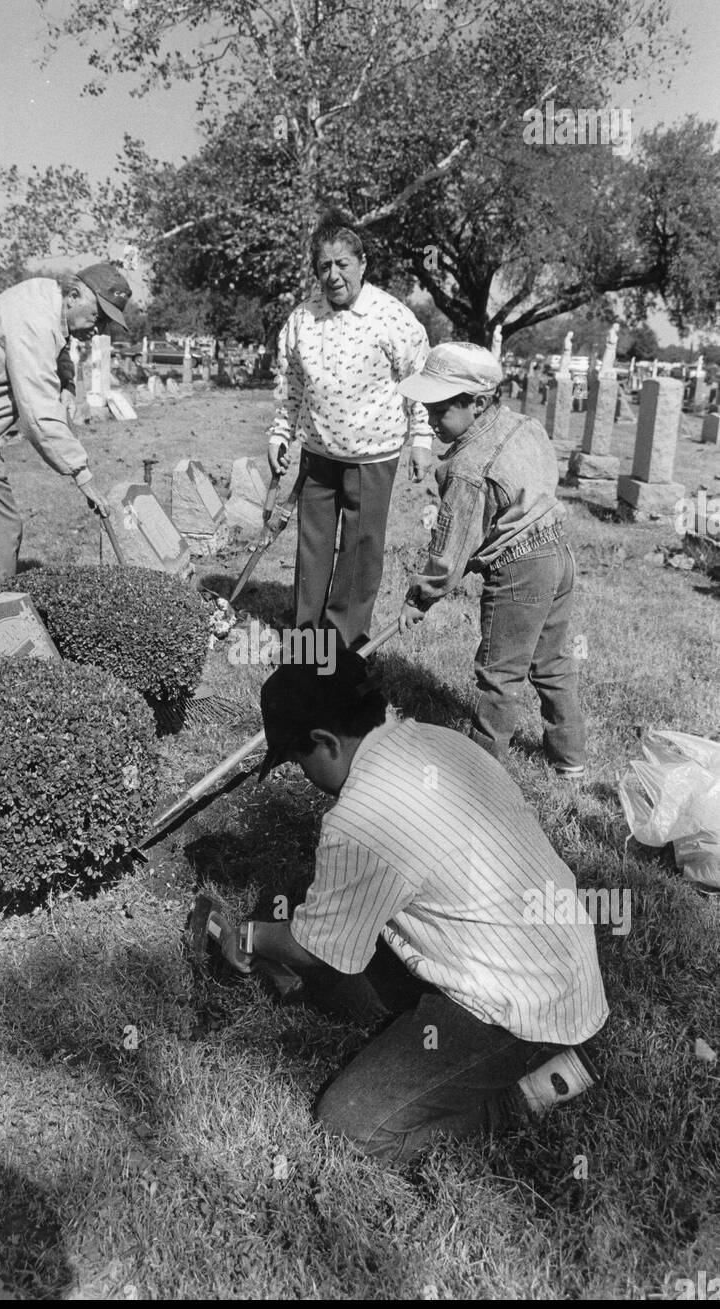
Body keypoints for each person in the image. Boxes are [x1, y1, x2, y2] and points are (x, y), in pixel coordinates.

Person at [219, 653, 608, 1163]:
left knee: (349, 1128)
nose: (304, 775)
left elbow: (321, 949)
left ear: (326, 742)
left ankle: (525, 1093)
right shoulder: (440, 740)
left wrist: (250, 937)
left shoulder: (362, 819)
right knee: (339, 972)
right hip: (554, 959)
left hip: (520, 1009)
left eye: (298, 759)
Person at [398, 342, 587, 777]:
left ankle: (479, 776)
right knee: (551, 661)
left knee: (499, 673)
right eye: (425, 408)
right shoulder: (523, 425)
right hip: (558, 552)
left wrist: (420, 597)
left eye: (440, 409)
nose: (429, 418)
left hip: (520, 570)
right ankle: (570, 758)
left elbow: (450, 551)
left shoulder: (467, 467)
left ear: (478, 403)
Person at [268, 210, 433, 650]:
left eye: (343, 263)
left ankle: (343, 644)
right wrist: (280, 434)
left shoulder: (393, 318)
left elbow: (418, 380)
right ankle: (306, 641)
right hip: (318, 456)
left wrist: (420, 438)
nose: (334, 274)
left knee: (360, 553)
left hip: (373, 457)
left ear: (362, 263)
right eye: (324, 265)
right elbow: (290, 383)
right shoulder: (302, 320)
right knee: (313, 550)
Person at [0, 263, 131, 610]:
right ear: (74, 295)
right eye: (97, 314)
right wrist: (82, 475)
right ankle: (3, 621)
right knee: (2, 526)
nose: (100, 326)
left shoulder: (49, 299)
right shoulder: (33, 321)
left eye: (106, 320)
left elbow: (60, 346)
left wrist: (67, 384)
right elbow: (38, 414)